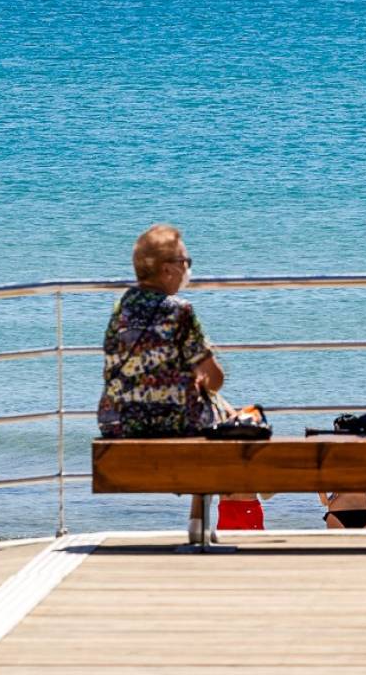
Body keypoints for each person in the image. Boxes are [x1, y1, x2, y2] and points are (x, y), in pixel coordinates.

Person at [97, 225, 267, 528]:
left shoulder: (120, 308)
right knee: (229, 420)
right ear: (166, 270)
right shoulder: (180, 311)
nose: (188, 269)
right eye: (185, 262)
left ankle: (199, 519)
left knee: (211, 408)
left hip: (120, 423)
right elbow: (215, 377)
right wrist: (203, 383)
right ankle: (199, 520)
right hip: (174, 427)